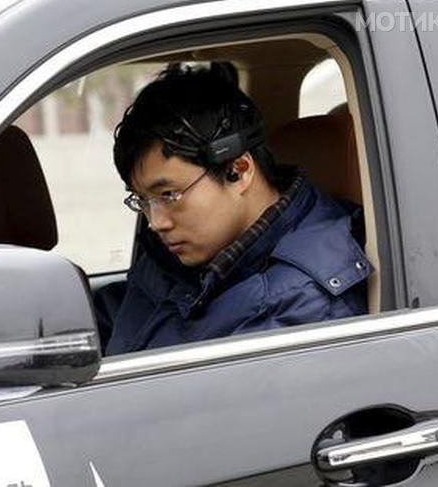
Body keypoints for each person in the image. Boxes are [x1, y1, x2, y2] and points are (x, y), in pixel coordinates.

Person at [98, 63, 371, 356]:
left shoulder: (302, 307)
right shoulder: (185, 257)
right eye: (143, 200)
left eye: (168, 195)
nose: (156, 222)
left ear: (239, 171)